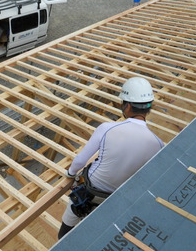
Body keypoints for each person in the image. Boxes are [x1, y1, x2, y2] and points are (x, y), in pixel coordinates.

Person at [58, 77, 164, 239]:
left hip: (89, 193)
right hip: (115, 200)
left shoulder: (107, 128)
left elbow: (80, 161)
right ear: (149, 107)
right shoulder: (158, 144)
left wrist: (71, 175)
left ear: (127, 105)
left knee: (65, 233)